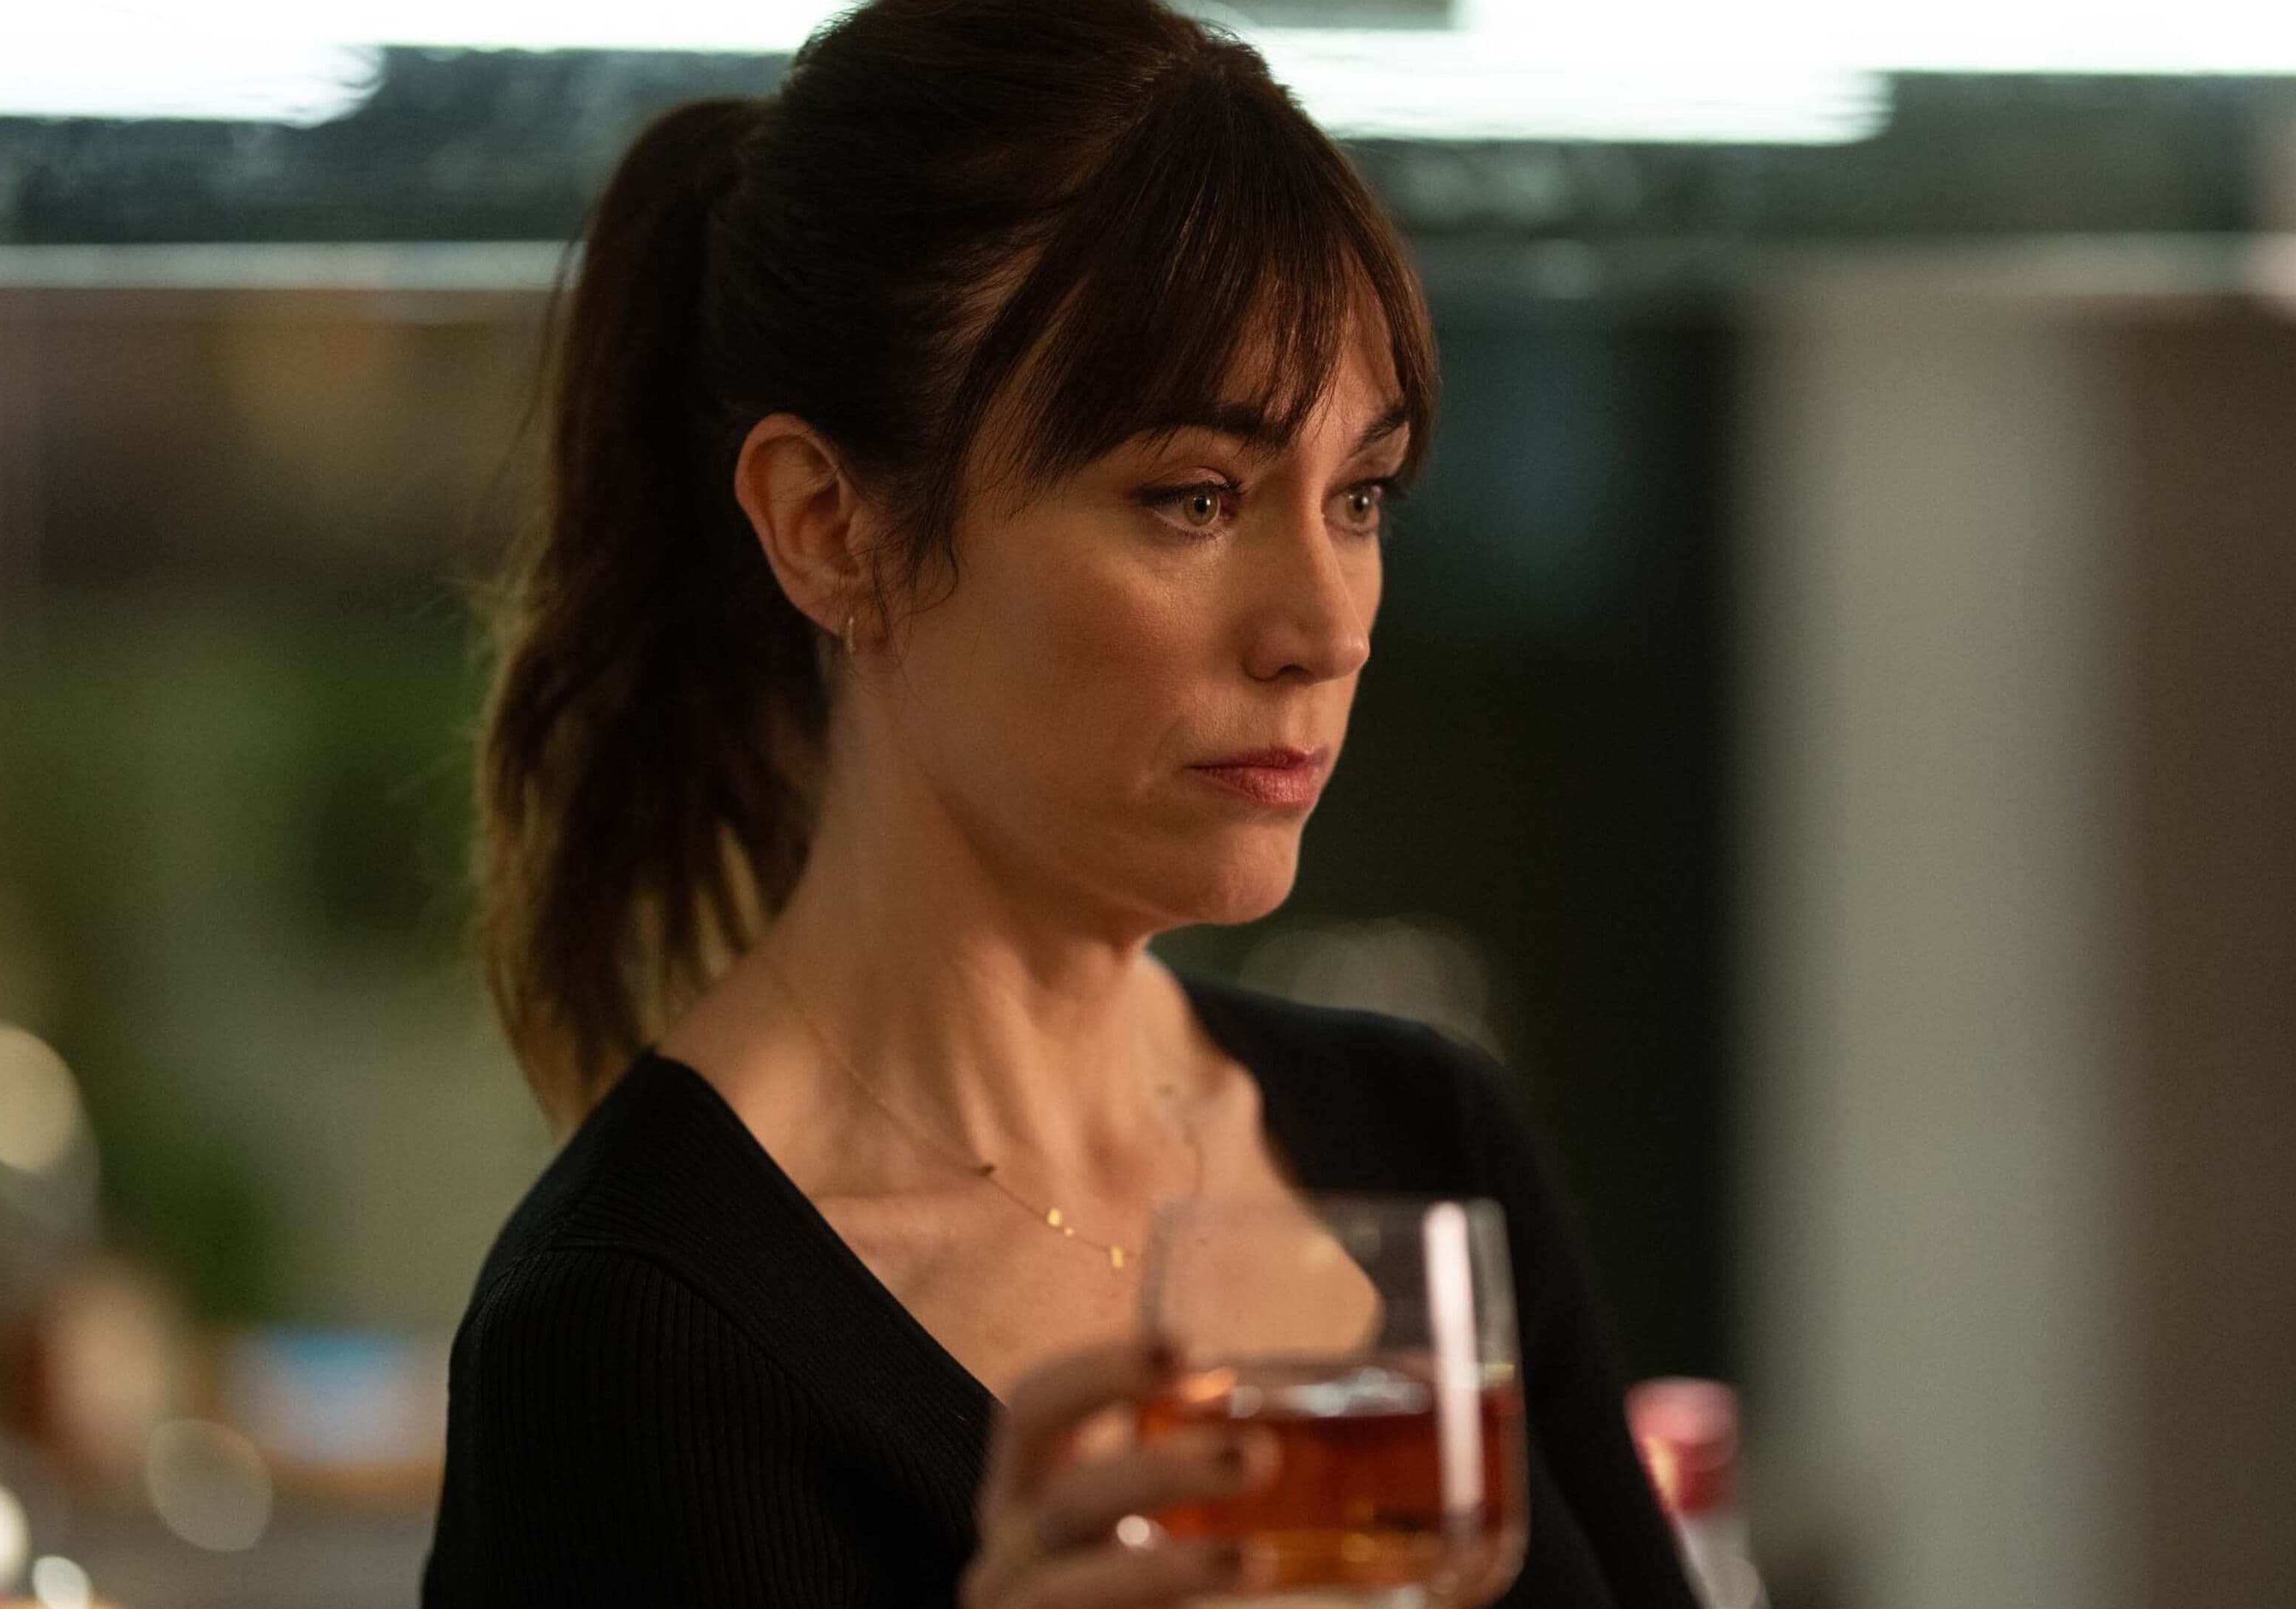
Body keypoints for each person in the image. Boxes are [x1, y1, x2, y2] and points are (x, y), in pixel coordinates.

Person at [421, 1, 1699, 1605]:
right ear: (828, 528)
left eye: (1360, 496)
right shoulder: (634, 1335)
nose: (1327, 627)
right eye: (1195, 498)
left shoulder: (1423, 1141)